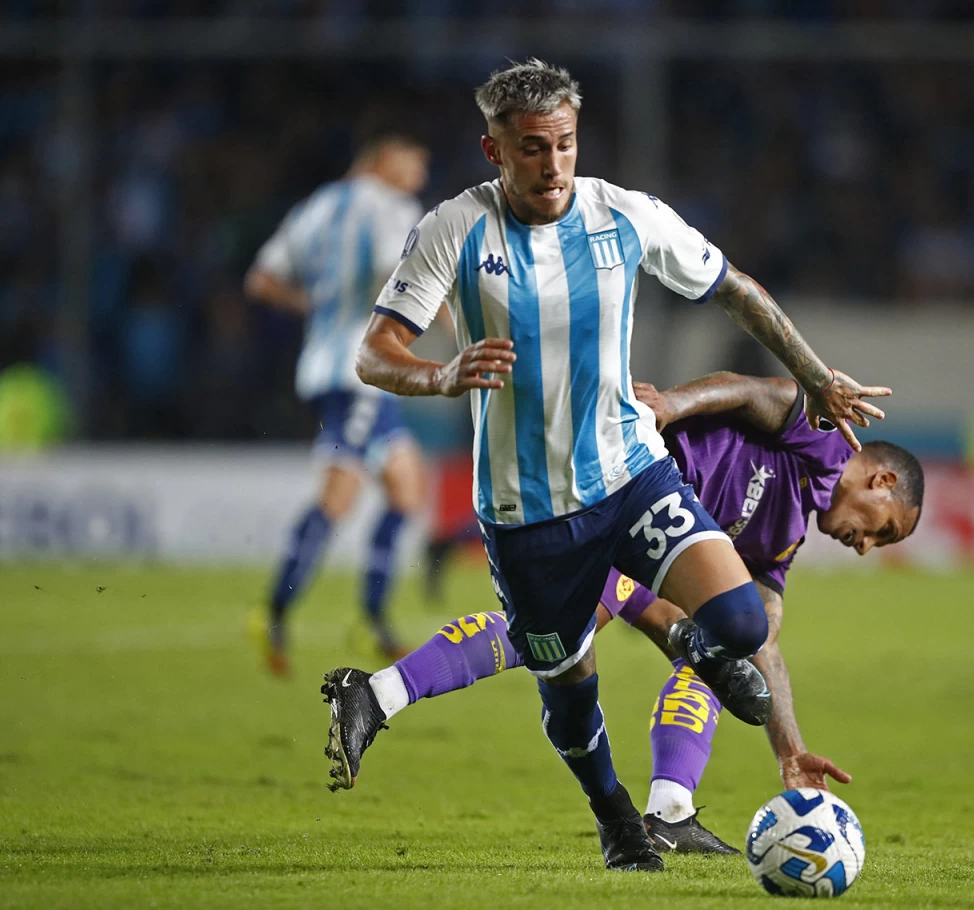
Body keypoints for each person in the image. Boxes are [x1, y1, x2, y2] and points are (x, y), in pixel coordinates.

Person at [319, 60, 890, 872]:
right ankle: (618, 817)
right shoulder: (455, 228)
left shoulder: (624, 215)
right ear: (494, 151)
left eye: (564, 145)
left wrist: (815, 374)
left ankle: (687, 678)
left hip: (630, 476)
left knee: (742, 623)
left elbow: (736, 289)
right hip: (526, 512)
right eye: (531, 150)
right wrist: (441, 376)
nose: (552, 166)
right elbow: (376, 353)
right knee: (569, 685)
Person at [334, 371, 923, 854]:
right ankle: (380, 691)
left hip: (656, 545)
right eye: (884, 531)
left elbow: (764, 639)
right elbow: (756, 392)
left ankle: (670, 811)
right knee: (562, 636)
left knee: (717, 647)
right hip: (627, 492)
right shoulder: (824, 437)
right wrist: (673, 403)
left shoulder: (788, 530)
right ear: (882, 479)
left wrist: (790, 752)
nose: (868, 547)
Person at [245, 125, 431, 674]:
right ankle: (274, 612)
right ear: (387, 158)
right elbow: (389, 274)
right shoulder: (391, 205)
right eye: (415, 160)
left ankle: (371, 619)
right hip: (364, 369)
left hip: (326, 363)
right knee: (339, 497)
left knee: (406, 488)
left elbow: (261, 280)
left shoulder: (316, 207)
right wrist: (436, 309)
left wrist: (318, 306)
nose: (419, 173)